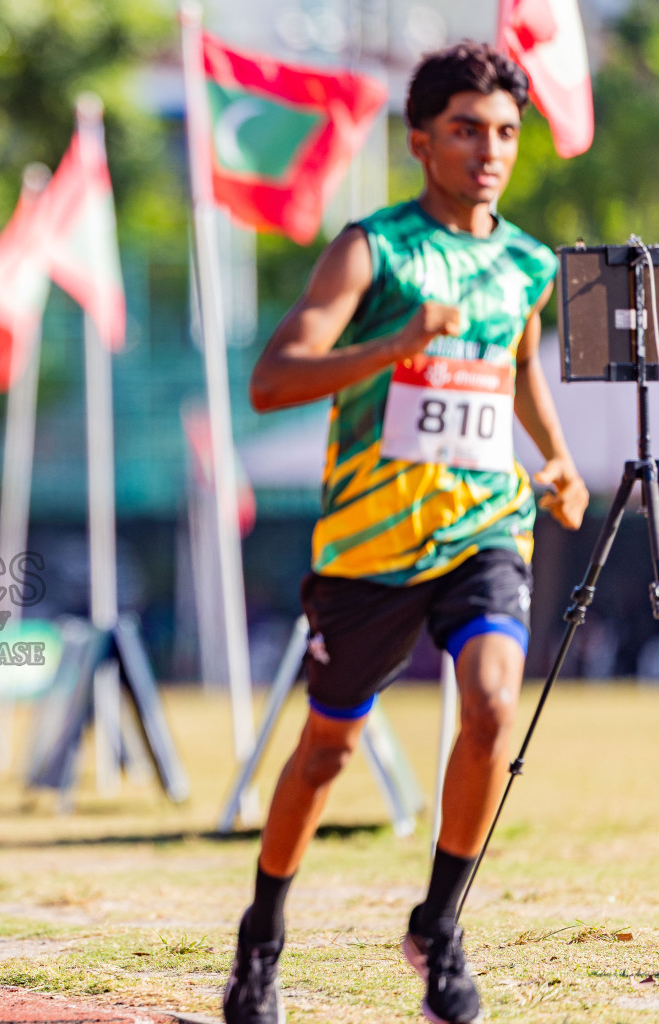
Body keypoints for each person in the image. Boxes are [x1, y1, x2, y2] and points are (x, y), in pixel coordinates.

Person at [222, 44, 589, 1024]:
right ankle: (261, 938)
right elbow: (273, 379)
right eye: (467, 129)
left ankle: (441, 920)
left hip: (483, 526)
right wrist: (393, 344)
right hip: (370, 549)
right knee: (325, 755)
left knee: (491, 705)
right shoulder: (371, 247)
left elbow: (516, 367)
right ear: (421, 140)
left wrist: (554, 458)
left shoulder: (526, 263)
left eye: (506, 132)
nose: (490, 149)